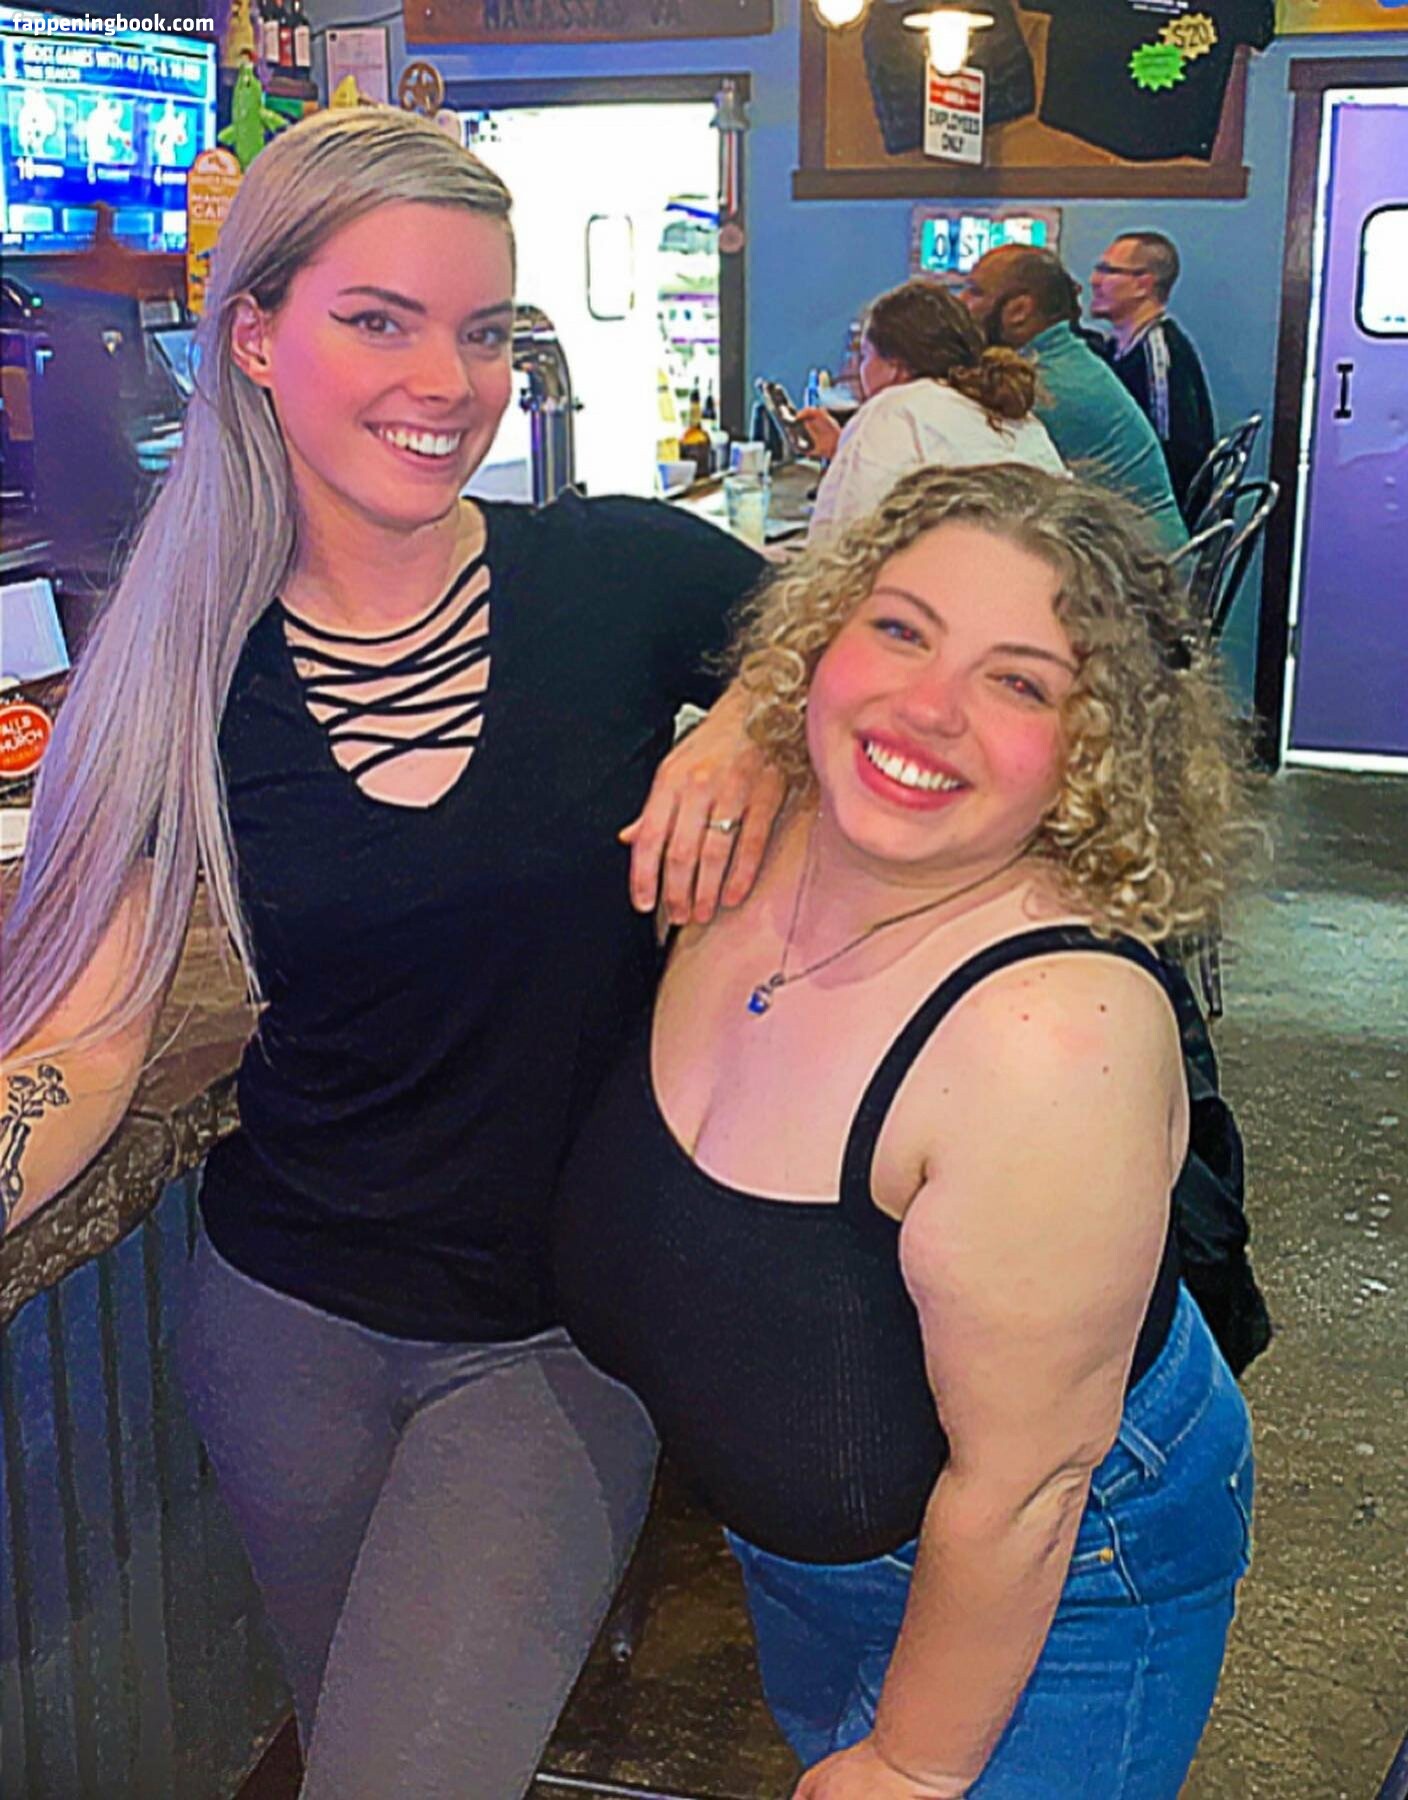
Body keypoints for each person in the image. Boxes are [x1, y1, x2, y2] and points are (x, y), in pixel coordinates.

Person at [0, 108, 784, 1798]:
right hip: (280, 1335)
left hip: (555, 1340)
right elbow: (88, 1036)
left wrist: (753, 719)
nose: (449, 380)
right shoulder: (176, 672)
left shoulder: (618, 579)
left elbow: (890, 662)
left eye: (483, 331)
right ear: (255, 337)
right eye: (380, 320)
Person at [556, 464, 1255, 1798]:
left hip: (1060, 1582)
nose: (927, 708)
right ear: (818, 640)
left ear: (1096, 753)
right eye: (899, 629)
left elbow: (1029, 1486)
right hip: (812, 1555)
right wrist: (745, 728)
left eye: (1021, 684)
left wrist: (917, 1768)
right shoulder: (751, 834)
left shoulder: (1049, 1039)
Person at [797, 279, 1065, 551]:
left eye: (865, 356)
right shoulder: (1019, 417)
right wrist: (842, 450)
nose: (859, 369)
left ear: (895, 367)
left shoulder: (893, 409)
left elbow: (839, 547)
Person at [960, 245, 1188, 554]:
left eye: (975, 292)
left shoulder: (1042, 385)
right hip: (1141, 547)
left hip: (1139, 564)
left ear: (1019, 310)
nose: (961, 302)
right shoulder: (1065, 358)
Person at [1089, 232, 1216, 521]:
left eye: (1108, 271)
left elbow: (1171, 453)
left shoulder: (1158, 353)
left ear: (1143, 285)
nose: (1095, 281)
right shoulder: (1119, 347)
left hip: (1153, 519)